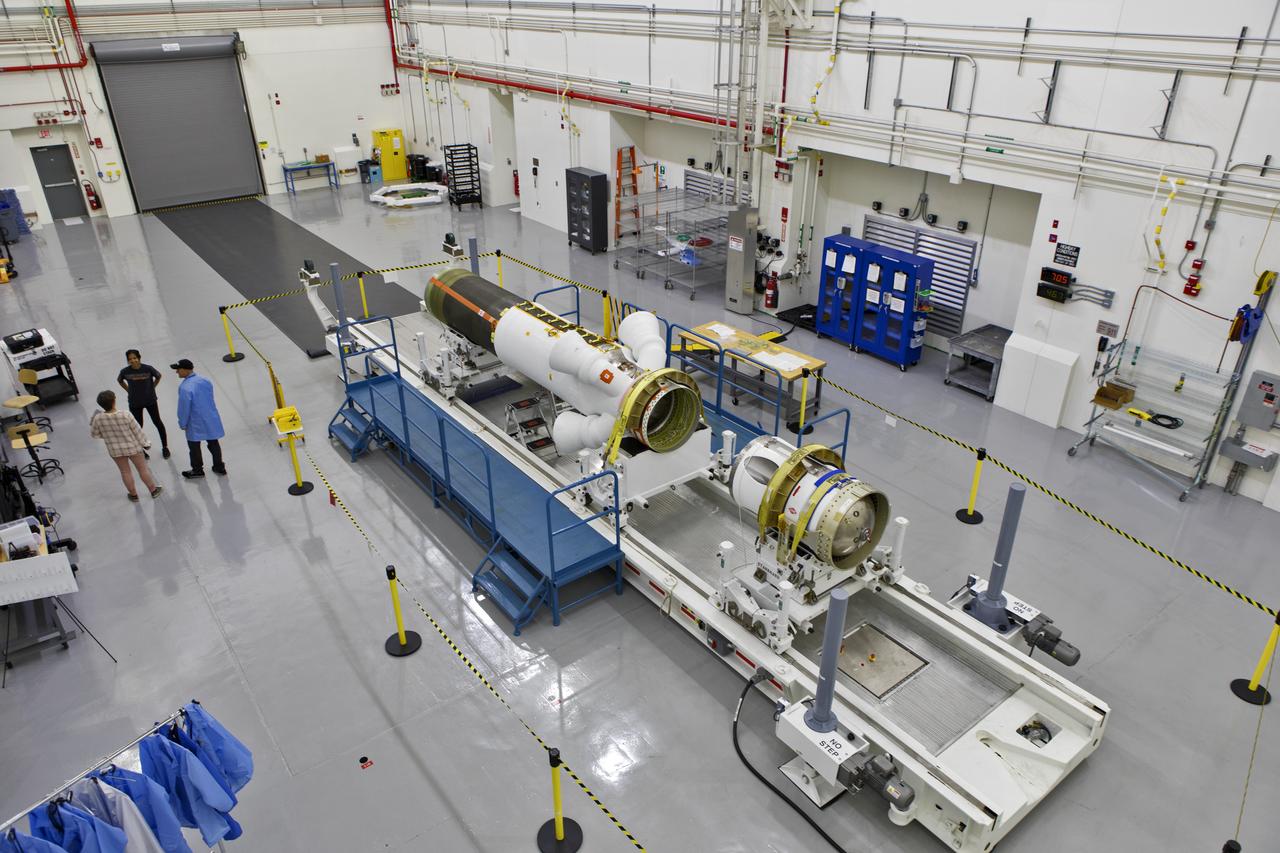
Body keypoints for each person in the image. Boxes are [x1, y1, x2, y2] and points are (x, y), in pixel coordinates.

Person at [89, 390, 163, 501]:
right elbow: (137, 431)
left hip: (115, 451)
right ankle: (153, 490)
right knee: (143, 469)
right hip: (133, 448)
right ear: (114, 401)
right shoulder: (125, 414)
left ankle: (133, 495)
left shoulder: (98, 418)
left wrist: (108, 435)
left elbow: (95, 434)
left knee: (125, 472)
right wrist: (145, 444)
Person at [172, 358, 226, 479]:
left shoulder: (185, 387)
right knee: (213, 443)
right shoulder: (205, 380)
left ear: (186, 370)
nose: (177, 372)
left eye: (178, 369)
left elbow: (184, 408)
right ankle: (219, 466)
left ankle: (197, 470)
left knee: (194, 446)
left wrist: (183, 423)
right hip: (210, 417)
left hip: (195, 421)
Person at [117, 348, 170, 459]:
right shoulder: (125, 372)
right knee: (137, 426)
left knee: (157, 422)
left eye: (135, 358)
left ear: (139, 358)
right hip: (135, 402)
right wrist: (128, 390)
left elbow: (158, 376)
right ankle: (140, 448)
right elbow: (120, 380)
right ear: (127, 361)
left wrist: (152, 387)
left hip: (150, 400)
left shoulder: (148, 369)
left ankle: (165, 447)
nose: (133, 360)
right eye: (130, 359)